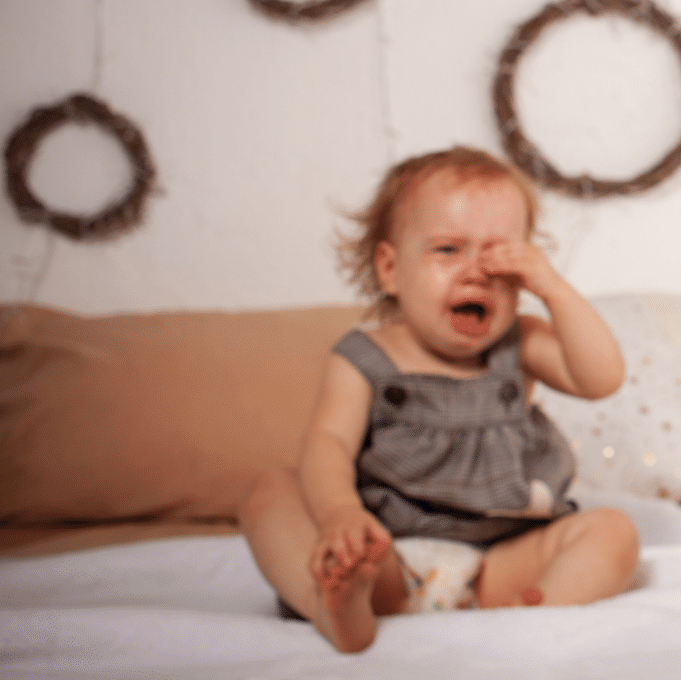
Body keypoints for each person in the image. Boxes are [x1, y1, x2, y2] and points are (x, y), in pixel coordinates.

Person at [239, 146, 639, 652]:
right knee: (269, 492)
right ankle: (334, 607)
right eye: (448, 250)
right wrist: (341, 514)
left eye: (499, 254)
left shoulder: (520, 343)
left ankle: (540, 610)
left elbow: (601, 378)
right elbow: (329, 445)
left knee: (613, 530)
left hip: (499, 563)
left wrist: (553, 289)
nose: (476, 272)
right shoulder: (366, 356)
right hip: (385, 560)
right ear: (389, 268)